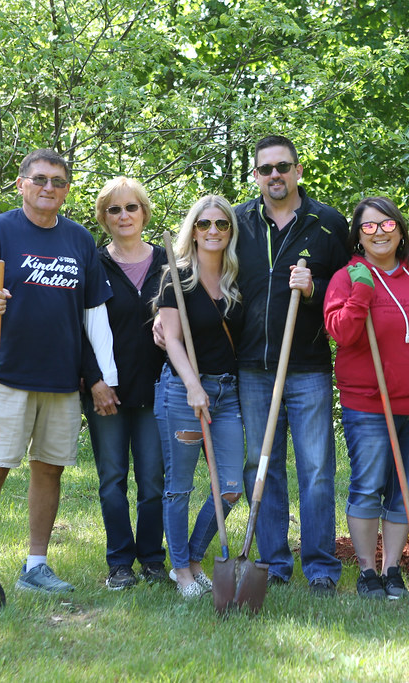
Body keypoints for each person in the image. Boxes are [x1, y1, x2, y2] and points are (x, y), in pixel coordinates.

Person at [174, 135, 349, 595]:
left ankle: (320, 567)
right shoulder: (239, 223)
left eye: (283, 167)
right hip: (251, 366)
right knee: (261, 464)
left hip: (308, 365)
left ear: (298, 171)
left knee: (316, 468)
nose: (275, 175)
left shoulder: (328, 223)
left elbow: (352, 283)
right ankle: (273, 561)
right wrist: (164, 319)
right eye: (266, 169)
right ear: (256, 175)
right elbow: (202, 265)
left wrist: (316, 286)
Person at [0, 148, 116, 600]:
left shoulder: (79, 240)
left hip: (61, 379)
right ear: (22, 184)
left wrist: (104, 375)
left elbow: (94, 315)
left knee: (49, 470)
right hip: (5, 373)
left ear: (66, 190)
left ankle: (36, 565)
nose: (49, 188)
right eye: (40, 179)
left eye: (58, 182)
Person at [324, 196, 409, 599]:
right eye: (369, 226)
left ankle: (392, 569)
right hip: (370, 403)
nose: (380, 232)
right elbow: (341, 333)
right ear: (358, 236)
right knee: (367, 485)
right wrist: (361, 293)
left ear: (400, 228)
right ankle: (366, 571)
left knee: (404, 488)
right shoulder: (347, 277)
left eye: (387, 224)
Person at [154, 195, 246, 599]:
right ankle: (181, 571)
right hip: (183, 391)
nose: (213, 231)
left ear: (230, 231)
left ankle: (192, 559)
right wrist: (192, 385)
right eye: (205, 224)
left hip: (228, 392)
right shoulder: (176, 276)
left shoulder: (237, 277)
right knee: (180, 487)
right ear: (193, 229)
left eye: (221, 224)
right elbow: (171, 339)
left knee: (230, 486)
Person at [80, 177, 167, 590]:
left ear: (144, 213)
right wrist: (95, 381)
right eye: (114, 210)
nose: (124, 216)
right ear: (104, 218)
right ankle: (119, 564)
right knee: (112, 479)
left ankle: (152, 560)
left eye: (131, 207)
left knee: (152, 481)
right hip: (106, 392)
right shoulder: (93, 264)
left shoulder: (170, 263)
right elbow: (77, 330)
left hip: (156, 390)